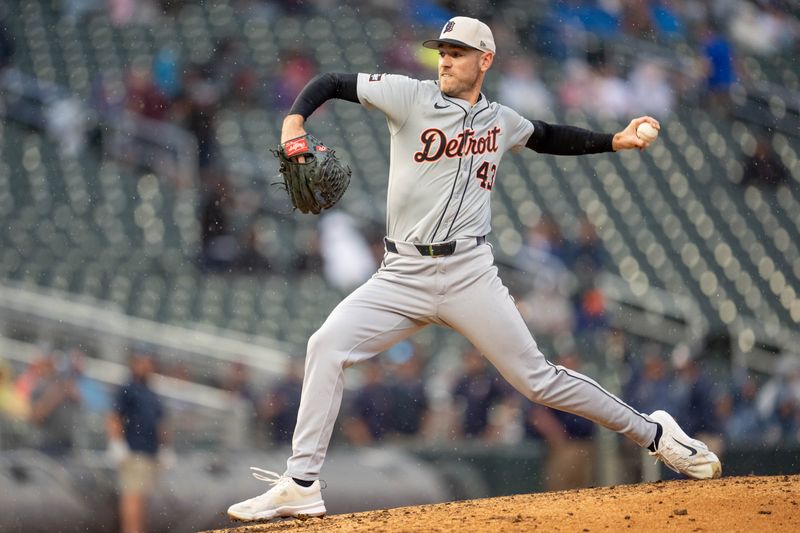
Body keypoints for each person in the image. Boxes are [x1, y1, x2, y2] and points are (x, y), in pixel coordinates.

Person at [227, 16, 721, 522]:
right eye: (442, 50)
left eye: (457, 52)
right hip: (401, 274)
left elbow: (549, 135)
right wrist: (294, 122)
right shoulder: (410, 96)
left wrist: (615, 141)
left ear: (485, 59)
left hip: (469, 272)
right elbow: (330, 82)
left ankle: (657, 433)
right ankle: (302, 484)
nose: (444, 59)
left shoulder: (501, 120)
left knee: (538, 382)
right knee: (325, 346)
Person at [107, 350, 171, 533]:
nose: (145, 366)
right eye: (141, 362)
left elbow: (160, 423)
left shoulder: (151, 393)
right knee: (132, 498)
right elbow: (114, 417)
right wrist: (116, 443)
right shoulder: (128, 389)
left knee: (142, 500)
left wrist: (164, 448)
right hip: (134, 451)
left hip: (149, 452)